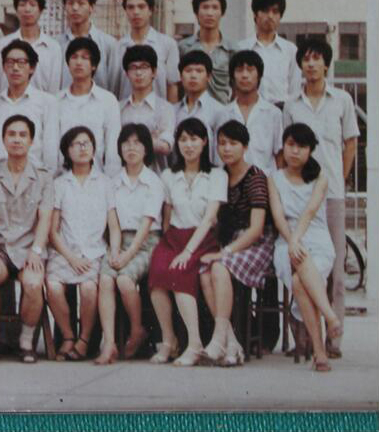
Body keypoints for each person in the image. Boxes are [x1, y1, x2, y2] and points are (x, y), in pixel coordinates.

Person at [282, 38, 359, 358]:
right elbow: (285, 150)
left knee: (335, 270)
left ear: (327, 64)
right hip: (299, 195)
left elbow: (350, 143)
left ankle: (333, 341)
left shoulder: (342, 100)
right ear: (300, 65)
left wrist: (339, 179)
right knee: (300, 264)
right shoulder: (292, 105)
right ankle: (301, 339)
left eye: (317, 59)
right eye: (306, 59)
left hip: (332, 196)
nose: (311, 64)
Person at [0, 115, 53, 365]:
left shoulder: (43, 177)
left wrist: (36, 250)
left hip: (30, 248)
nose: (17, 140)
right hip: (0, 249)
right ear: (3, 139)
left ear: (31, 141)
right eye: (11, 134)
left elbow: (45, 218)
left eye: (22, 135)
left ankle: (26, 343)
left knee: (33, 283)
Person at [147, 118, 226, 367]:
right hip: (174, 237)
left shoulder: (217, 175)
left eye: (194, 139)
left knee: (180, 273)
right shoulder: (169, 175)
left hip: (202, 238)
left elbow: (210, 218)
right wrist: (167, 242)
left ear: (204, 142)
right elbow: (167, 214)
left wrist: (188, 251)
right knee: (157, 273)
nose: (188, 145)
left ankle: (194, 344)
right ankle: (169, 340)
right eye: (183, 139)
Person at [198, 120, 276, 367]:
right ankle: (231, 343)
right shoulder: (220, 176)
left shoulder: (255, 177)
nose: (226, 148)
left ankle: (218, 339)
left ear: (245, 146)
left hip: (257, 243)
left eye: (233, 143)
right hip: (231, 241)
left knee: (219, 266)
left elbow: (256, 229)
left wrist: (225, 252)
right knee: (204, 271)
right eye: (222, 143)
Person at [268, 122, 343, 372]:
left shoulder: (320, 178)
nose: (295, 151)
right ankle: (329, 317)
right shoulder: (274, 178)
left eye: (301, 146)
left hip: (316, 239)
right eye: (290, 144)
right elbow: (278, 216)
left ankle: (320, 353)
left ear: (310, 150)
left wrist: (296, 241)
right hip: (285, 240)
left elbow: (310, 212)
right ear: (283, 146)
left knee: (300, 280)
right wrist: (291, 241)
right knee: (300, 270)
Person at [46, 126, 117, 363]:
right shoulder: (60, 184)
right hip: (65, 251)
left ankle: (85, 340)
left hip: (94, 252)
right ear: (67, 151)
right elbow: (53, 231)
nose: (83, 148)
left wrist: (114, 251)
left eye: (87, 143)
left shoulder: (105, 183)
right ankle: (68, 336)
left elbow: (113, 225)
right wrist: (71, 258)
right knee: (53, 286)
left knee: (88, 288)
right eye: (76, 144)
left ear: (94, 149)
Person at [95, 124, 164, 364]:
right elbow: (114, 225)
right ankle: (109, 343)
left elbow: (147, 225)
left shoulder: (154, 182)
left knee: (124, 279)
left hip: (146, 242)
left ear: (146, 149)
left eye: (137, 143)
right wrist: (115, 251)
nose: (131, 148)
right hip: (120, 240)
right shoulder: (113, 183)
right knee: (105, 279)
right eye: (126, 143)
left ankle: (137, 330)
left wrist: (128, 255)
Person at [0, 40, 60, 176]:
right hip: (0, 176)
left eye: (21, 62)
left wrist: (45, 179)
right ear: (4, 67)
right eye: (10, 62)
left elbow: (51, 150)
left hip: (35, 177)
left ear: (32, 68)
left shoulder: (47, 102)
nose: (15, 68)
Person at [57, 37, 120, 176]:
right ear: (68, 63)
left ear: (94, 65)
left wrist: (110, 180)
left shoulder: (108, 101)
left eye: (85, 58)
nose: (79, 62)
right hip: (63, 178)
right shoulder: (56, 101)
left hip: (97, 178)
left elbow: (112, 147)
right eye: (74, 57)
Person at [113, 0, 180, 103]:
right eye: (130, 7)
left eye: (141, 6)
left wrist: (170, 112)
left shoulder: (167, 44)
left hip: (158, 111)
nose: (136, 12)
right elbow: (114, 87)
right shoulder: (118, 47)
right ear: (126, 11)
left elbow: (172, 85)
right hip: (126, 111)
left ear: (151, 10)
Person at [223, 50, 284, 177]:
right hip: (231, 183)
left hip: (265, 182)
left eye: (250, 70)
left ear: (259, 75)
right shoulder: (223, 114)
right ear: (232, 76)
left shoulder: (273, 113)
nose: (245, 75)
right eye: (239, 70)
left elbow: (280, 156)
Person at [0, 0, 63, 95]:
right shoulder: (3, 44)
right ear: (16, 10)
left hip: (41, 105)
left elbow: (54, 88)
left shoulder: (53, 47)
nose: (27, 9)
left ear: (41, 10)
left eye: (32, 5)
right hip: (10, 103)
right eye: (22, 5)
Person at [237, 0, 300, 107]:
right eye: (265, 11)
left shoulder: (290, 50)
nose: (270, 16)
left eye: (275, 11)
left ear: (280, 16)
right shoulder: (241, 48)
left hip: (282, 110)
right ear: (255, 14)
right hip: (252, 109)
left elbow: (294, 89)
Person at [119, 45, 175, 174]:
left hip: (155, 176)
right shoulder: (118, 108)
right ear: (127, 73)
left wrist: (127, 141)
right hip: (123, 178)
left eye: (144, 67)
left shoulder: (165, 108)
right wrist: (151, 138)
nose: (138, 73)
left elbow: (165, 146)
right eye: (133, 67)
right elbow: (113, 143)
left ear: (154, 72)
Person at [177, 0, 234, 104]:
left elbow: (237, 88)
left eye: (215, 7)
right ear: (196, 12)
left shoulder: (232, 49)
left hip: (222, 111)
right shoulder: (182, 48)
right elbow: (178, 86)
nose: (209, 13)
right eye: (205, 7)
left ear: (222, 12)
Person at [58, 0, 118, 92]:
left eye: (81, 3)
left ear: (91, 7)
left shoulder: (108, 44)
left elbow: (114, 83)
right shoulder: (56, 44)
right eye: (70, 3)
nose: (75, 8)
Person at [173, 50, 225, 163]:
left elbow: (221, 152)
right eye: (188, 71)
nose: (193, 75)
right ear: (181, 76)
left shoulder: (219, 111)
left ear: (208, 76)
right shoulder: (173, 110)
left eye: (199, 71)